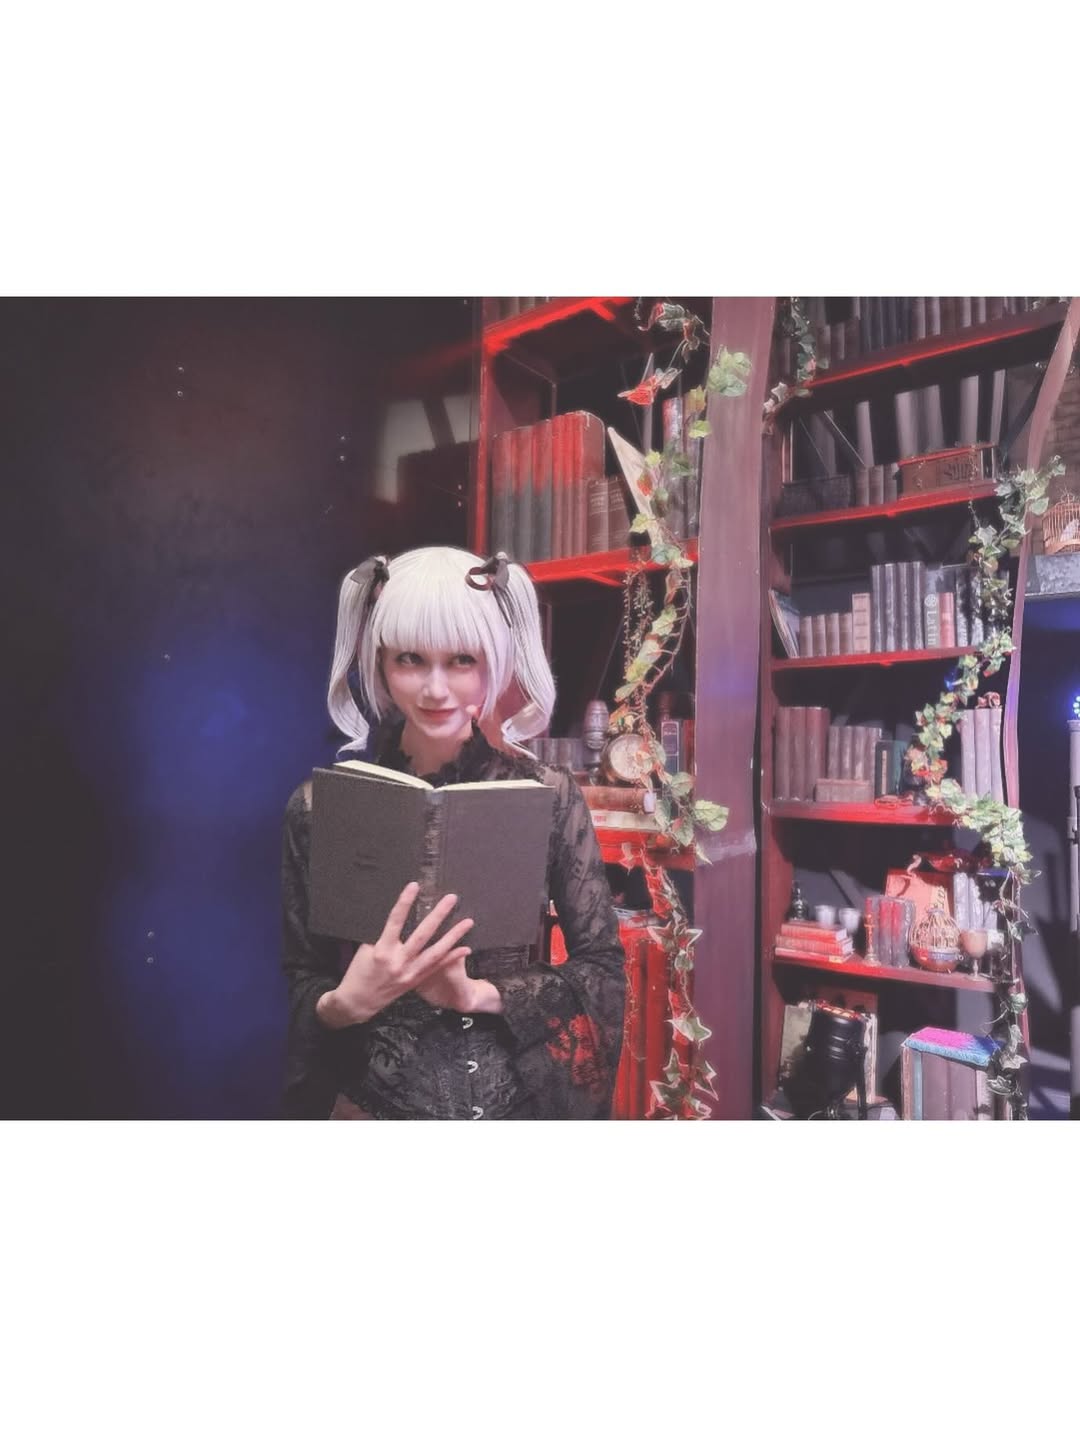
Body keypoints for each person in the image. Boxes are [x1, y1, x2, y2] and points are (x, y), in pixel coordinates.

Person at [280, 545, 626, 1119]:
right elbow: (302, 976)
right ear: (381, 662)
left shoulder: (550, 796)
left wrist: (477, 994)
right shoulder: (317, 807)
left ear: (493, 661)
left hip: (511, 1109)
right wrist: (344, 1004)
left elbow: (602, 970)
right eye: (410, 659)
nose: (435, 689)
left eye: (462, 660)